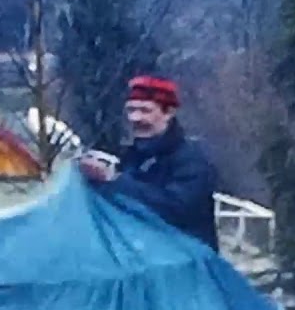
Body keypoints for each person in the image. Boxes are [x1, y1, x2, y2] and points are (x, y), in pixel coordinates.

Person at [79, 75, 220, 252]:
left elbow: (176, 209)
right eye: (131, 110)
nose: (135, 118)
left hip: (187, 263)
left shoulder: (192, 159)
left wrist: (115, 180)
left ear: (169, 113)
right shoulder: (133, 155)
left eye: (145, 110)